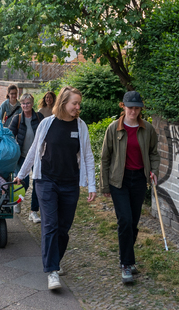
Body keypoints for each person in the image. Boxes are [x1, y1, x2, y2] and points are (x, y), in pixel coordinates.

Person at [14, 86, 96, 290]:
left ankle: (55, 261)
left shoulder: (81, 126)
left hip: (70, 183)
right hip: (46, 180)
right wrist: (21, 174)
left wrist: (92, 184)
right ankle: (51, 270)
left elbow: (87, 155)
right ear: (63, 102)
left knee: (63, 228)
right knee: (50, 224)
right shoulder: (48, 124)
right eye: (74, 103)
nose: (78, 107)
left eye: (79, 104)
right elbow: (34, 150)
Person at [100, 91, 160, 284]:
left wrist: (154, 171)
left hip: (139, 180)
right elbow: (105, 158)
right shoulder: (113, 129)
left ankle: (127, 256)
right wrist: (105, 185)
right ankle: (126, 263)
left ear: (140, 108)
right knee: (124, 220)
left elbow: (154, 153)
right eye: (130, 107)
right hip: (120, 181)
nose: (133, 111)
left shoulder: (148, 129)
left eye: (136, 107)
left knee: (133, 223)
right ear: (123, 106)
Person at [9, 93, 44, 222]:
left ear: (32, 104)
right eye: (23, 103)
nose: (25, 105)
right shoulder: (17, 119)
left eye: (28, 103)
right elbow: (10, 135)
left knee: (37, 184)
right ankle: (18, 201)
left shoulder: (40, 117)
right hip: (22, 156)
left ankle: (33, 212)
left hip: (38, 157)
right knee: (23, 182)